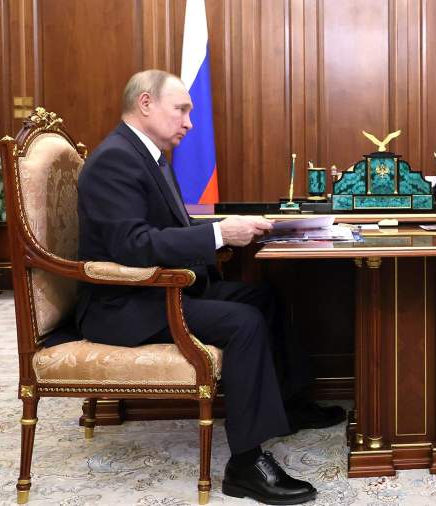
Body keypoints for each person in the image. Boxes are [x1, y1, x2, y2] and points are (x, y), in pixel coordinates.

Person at [76, 69, 342, 504]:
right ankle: (246, 466)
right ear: (146, 103)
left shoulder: (146, 154)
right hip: (123, 304)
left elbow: (163, 230)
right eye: (181, 110)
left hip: (159, 290)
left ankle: (289, 404)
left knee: (264, 297)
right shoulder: (115, 160)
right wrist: (219, 234)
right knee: (243, 322)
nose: (189, 123)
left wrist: (230, 229)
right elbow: (133, 246)